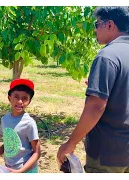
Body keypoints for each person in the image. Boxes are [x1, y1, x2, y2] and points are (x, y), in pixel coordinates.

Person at [57, 6, 129, 173]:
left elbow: (96, 106)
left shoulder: (107, 56)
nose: (95, 30)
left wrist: (71, 143)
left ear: (110, 25)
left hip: (108, 153)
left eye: (97, 24)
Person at [0, 79, 41, 173]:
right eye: (16, 97)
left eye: (24, 98)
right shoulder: (4, 120)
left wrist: (20, 171)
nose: (20, 101)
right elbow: (9, 144)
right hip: (9, 169)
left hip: (26, 171)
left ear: (29, 101)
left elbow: (37, 153)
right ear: (9, 98)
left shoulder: (29, 123)